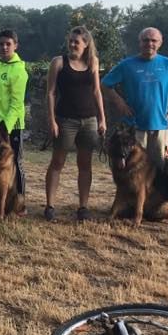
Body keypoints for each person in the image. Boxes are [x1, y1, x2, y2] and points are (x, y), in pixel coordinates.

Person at [102, 27, 168, 171]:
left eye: (154, 40)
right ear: (140, 42)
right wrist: (119, 102)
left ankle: (156, 194)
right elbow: (105, 84)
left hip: (160, 125)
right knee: (133, 168)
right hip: (133, 127)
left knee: (159, 168)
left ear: (160, 43)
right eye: (146, 40)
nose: (149, 44)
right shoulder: (126, 65)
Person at [44, 26, 107, 222]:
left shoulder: (93, 62)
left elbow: (97, 91)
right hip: (65, 119)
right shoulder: (58, 62)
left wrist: (102, 118)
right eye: (70, 41)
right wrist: (52, 119)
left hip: (89, 120)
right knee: (58, 162)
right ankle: (50, 205)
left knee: (85, 164)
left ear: (86, 44)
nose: (72, 44)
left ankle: (83, 207)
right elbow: (51, 92)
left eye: (76, 42)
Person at [0, 29, 29, 204]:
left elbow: (17, 104)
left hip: (10, 127)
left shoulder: (19, 71)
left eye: (8, 44)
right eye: (1, 44)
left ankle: (19, 201)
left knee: (15, 162)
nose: (4, 47)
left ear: (15, 46)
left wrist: (4, 130)